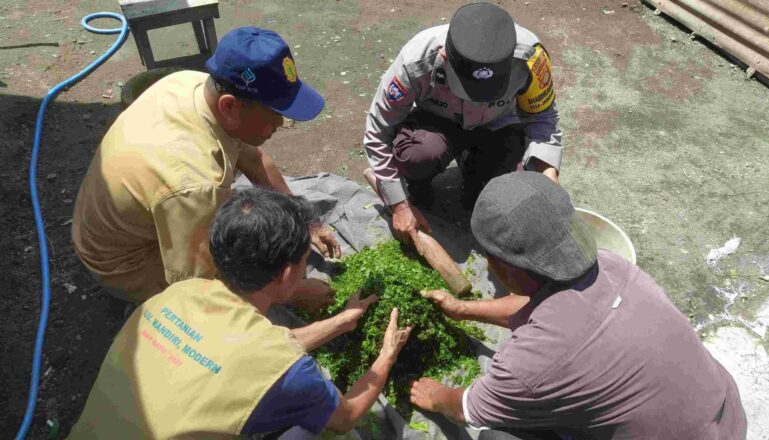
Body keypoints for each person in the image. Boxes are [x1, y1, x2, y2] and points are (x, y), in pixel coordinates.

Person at [409, 172, 747, 439]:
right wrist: (463, 308)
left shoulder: (526, 365)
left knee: (499, 436)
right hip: (728, 419)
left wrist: (436, 395)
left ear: (503, 266)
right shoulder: (614, 266)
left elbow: (466, 408)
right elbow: (542, 311)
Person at [68, 188, 412, 438]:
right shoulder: (289, 370)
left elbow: (249, 352)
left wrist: (340, 322)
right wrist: (387, 354)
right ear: (289, 273)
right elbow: (346, 416)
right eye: (306, 260)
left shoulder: (176, 294)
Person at [71, 26, 340, 304]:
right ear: (230, 107)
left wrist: (304, 220)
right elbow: (199, 286)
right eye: (274, 113)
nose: (280, 124)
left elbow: (255, 158)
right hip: (125, 263)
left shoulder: (191, 84)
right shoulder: (195, 183)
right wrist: (291, 293)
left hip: (137, 214)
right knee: (227, 305)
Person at [363, 3, 562, 243]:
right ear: (445, 58)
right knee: (418, 155)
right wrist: (399, 205)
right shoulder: (416, 61)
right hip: (437, 124)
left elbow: (542, 117)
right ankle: (418, 185)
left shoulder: (530, 57)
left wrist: (547, 173)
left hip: (497, 126)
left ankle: (475, 168)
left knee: (504, 195)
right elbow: (377, 130)